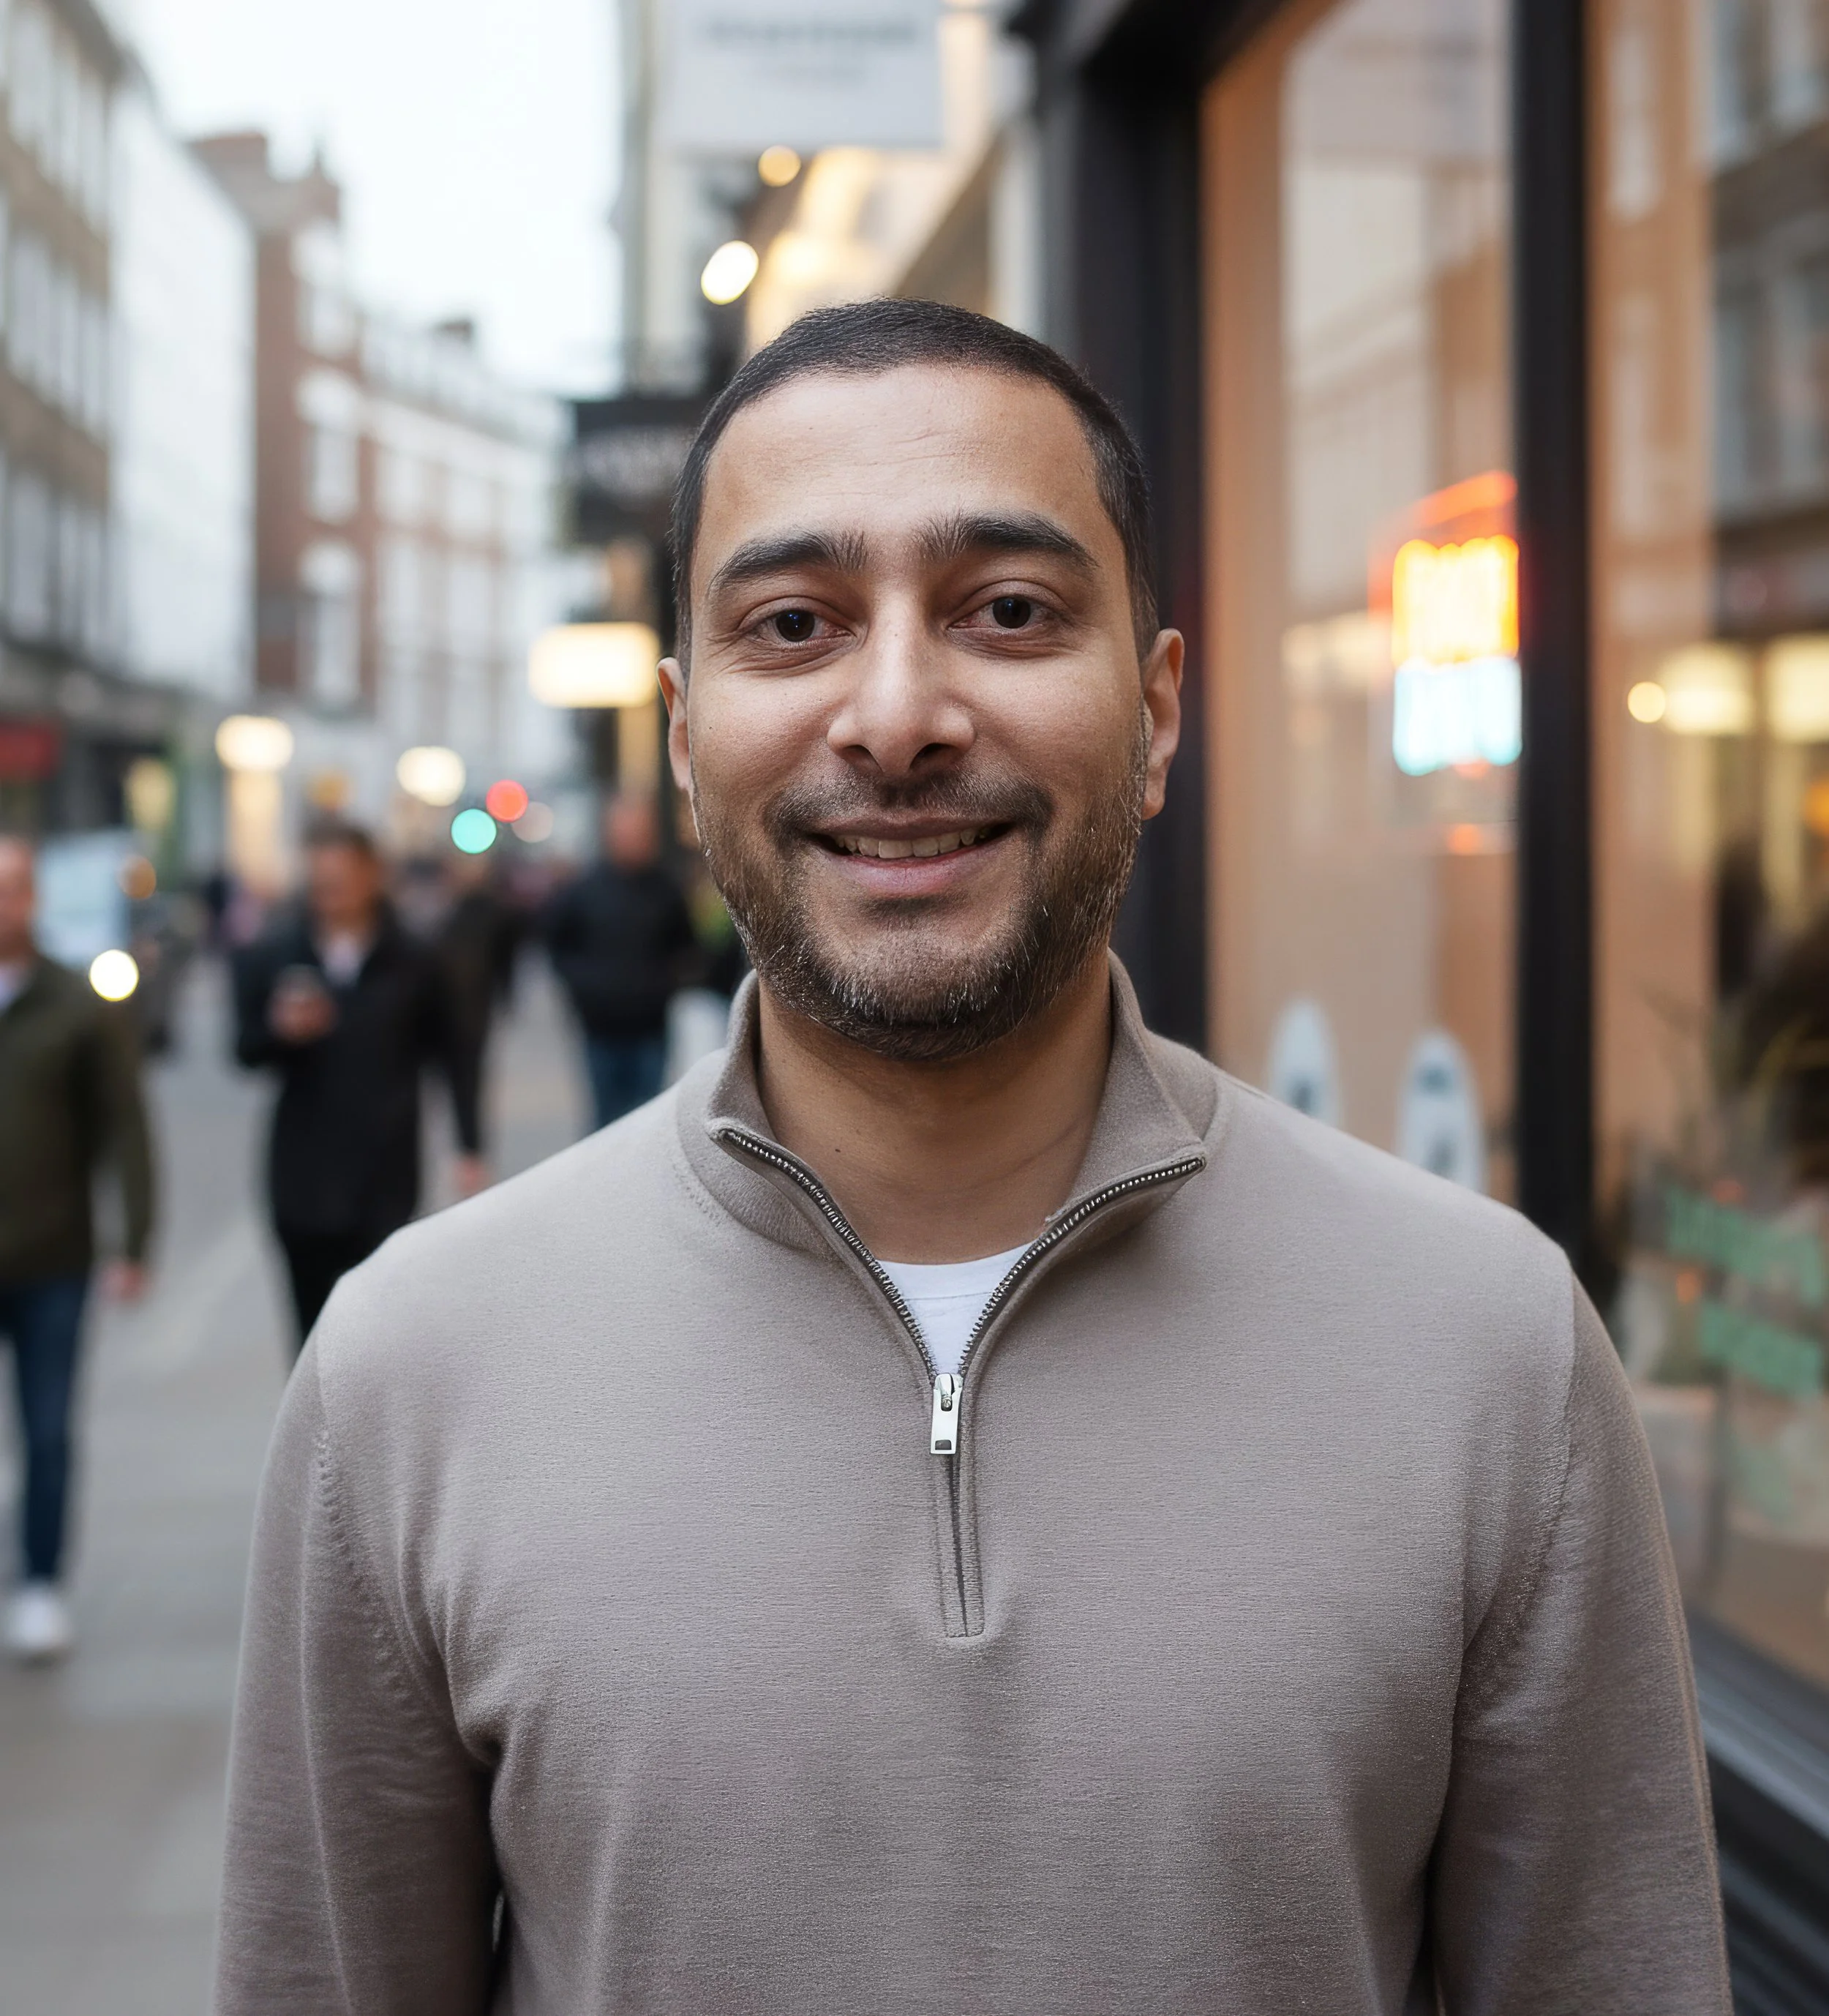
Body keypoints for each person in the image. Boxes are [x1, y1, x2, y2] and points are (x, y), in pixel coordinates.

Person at [216, 302, 1729, 2011]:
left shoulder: (1486, 1348)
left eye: (1007, 610)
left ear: (1157, 712)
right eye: (794, 624)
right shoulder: (413, 1372)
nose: (898, 712)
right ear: (684, 732)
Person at [232, 819, 485, 1350]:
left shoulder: (415, 957)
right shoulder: (277, 952)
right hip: (302, 1174)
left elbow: (455, 1053)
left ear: (373, 876)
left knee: (378, 1335)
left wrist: (469, 1144)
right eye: (321, 883)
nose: (332, 895)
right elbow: (244, 1049)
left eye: (342, 880)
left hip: (384, 1171)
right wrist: (280, 1032)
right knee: (312, 1339)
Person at [0, 836, 152, 1662]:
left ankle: (40, 1583)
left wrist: (136, 1236)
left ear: (34, 899)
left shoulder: (75, 1004)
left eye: (14, 889)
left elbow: (123, 1123)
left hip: (53, 1255)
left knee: (48, 1427)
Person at [544, 792, 697, 1128]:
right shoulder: (583, 890)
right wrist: (586, 988)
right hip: (600, 1027)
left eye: (640, 830)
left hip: (650, 1027)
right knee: (605, 1123)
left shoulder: (666, 890)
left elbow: (685, 948)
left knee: (647, 1123)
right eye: (626, 828)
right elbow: (557, 948)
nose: (633, 837)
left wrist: (664, 985)